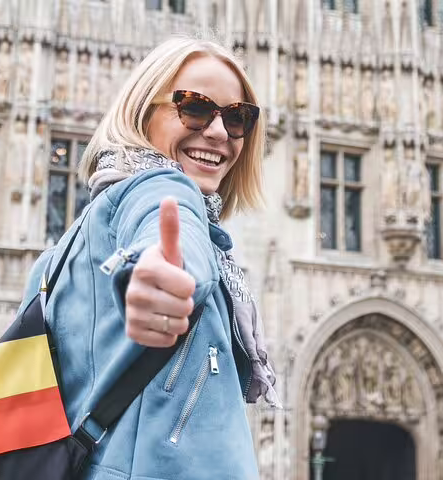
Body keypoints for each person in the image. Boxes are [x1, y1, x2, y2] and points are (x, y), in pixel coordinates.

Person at [19, 35, 279, 479]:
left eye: (237, 118)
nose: (218, 131)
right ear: (143, 112)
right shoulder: (163, 188)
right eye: (194, 107)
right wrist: (160, 278)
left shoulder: (61, 253)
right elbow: (170, 235)